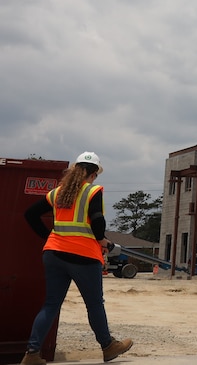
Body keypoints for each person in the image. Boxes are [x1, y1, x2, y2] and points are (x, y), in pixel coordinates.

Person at [21, 152, 134, 364]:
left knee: (51, 304)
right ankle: (108, 347)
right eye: (95, 175)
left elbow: (30, 214)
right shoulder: (92, 191)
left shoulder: (57, 193)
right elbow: (97, 220)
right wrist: (102, 241)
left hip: (53, 253)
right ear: (92, 174)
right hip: (83, 255)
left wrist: (51, 237)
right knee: (94, 304)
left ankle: (32, 354)